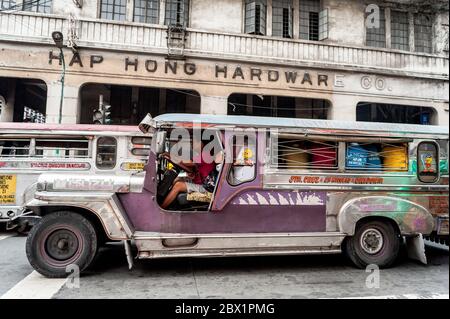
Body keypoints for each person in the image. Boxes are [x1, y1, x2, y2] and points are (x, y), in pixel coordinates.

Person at [160, 136, 216, 210]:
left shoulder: (205, 154)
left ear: (201, 144)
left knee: (178, 185)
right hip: (202, 184)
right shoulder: (201, 156)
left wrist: (169, 155)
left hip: (206, 188)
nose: (192, 145)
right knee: (178, 180)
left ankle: (161, 208)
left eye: (194, 142)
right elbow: (189, 167)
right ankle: (171, 204)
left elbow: (186, 162)